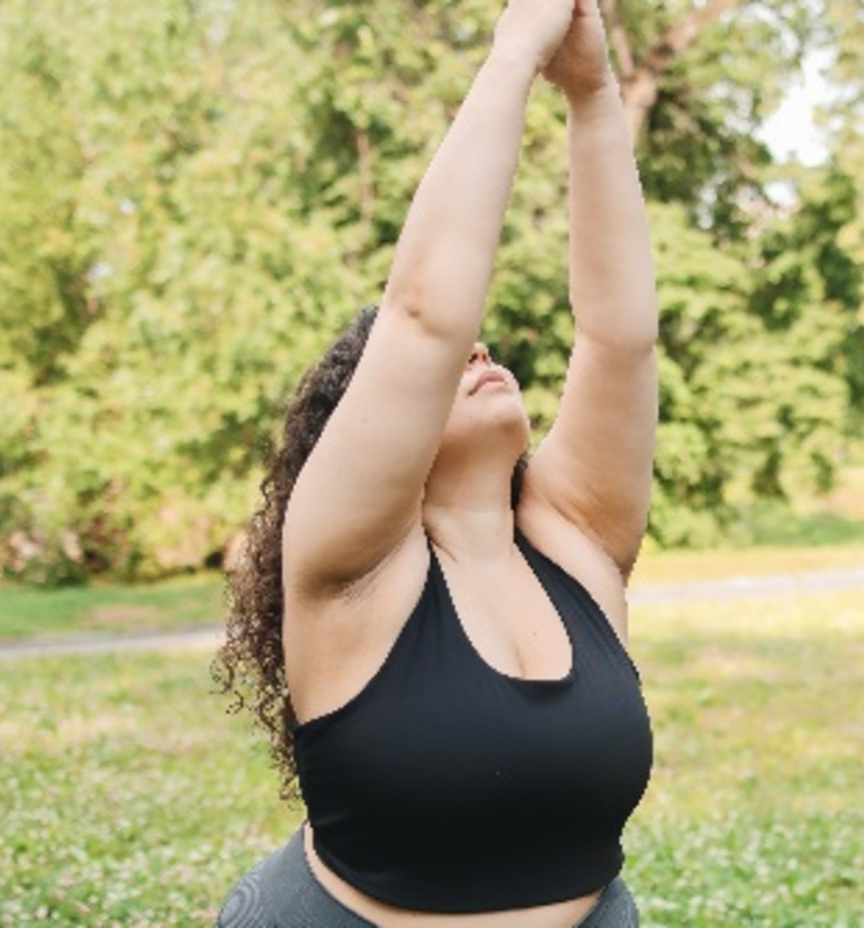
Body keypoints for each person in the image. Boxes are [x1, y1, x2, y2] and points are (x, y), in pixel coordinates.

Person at [213, 0, 658, 924]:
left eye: (485, 348)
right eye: (451, 362)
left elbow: (620, 337)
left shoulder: (575, 538)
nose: (476, 353)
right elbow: (423, 314)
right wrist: (512, 54)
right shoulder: (351, 566)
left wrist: (594, 92)